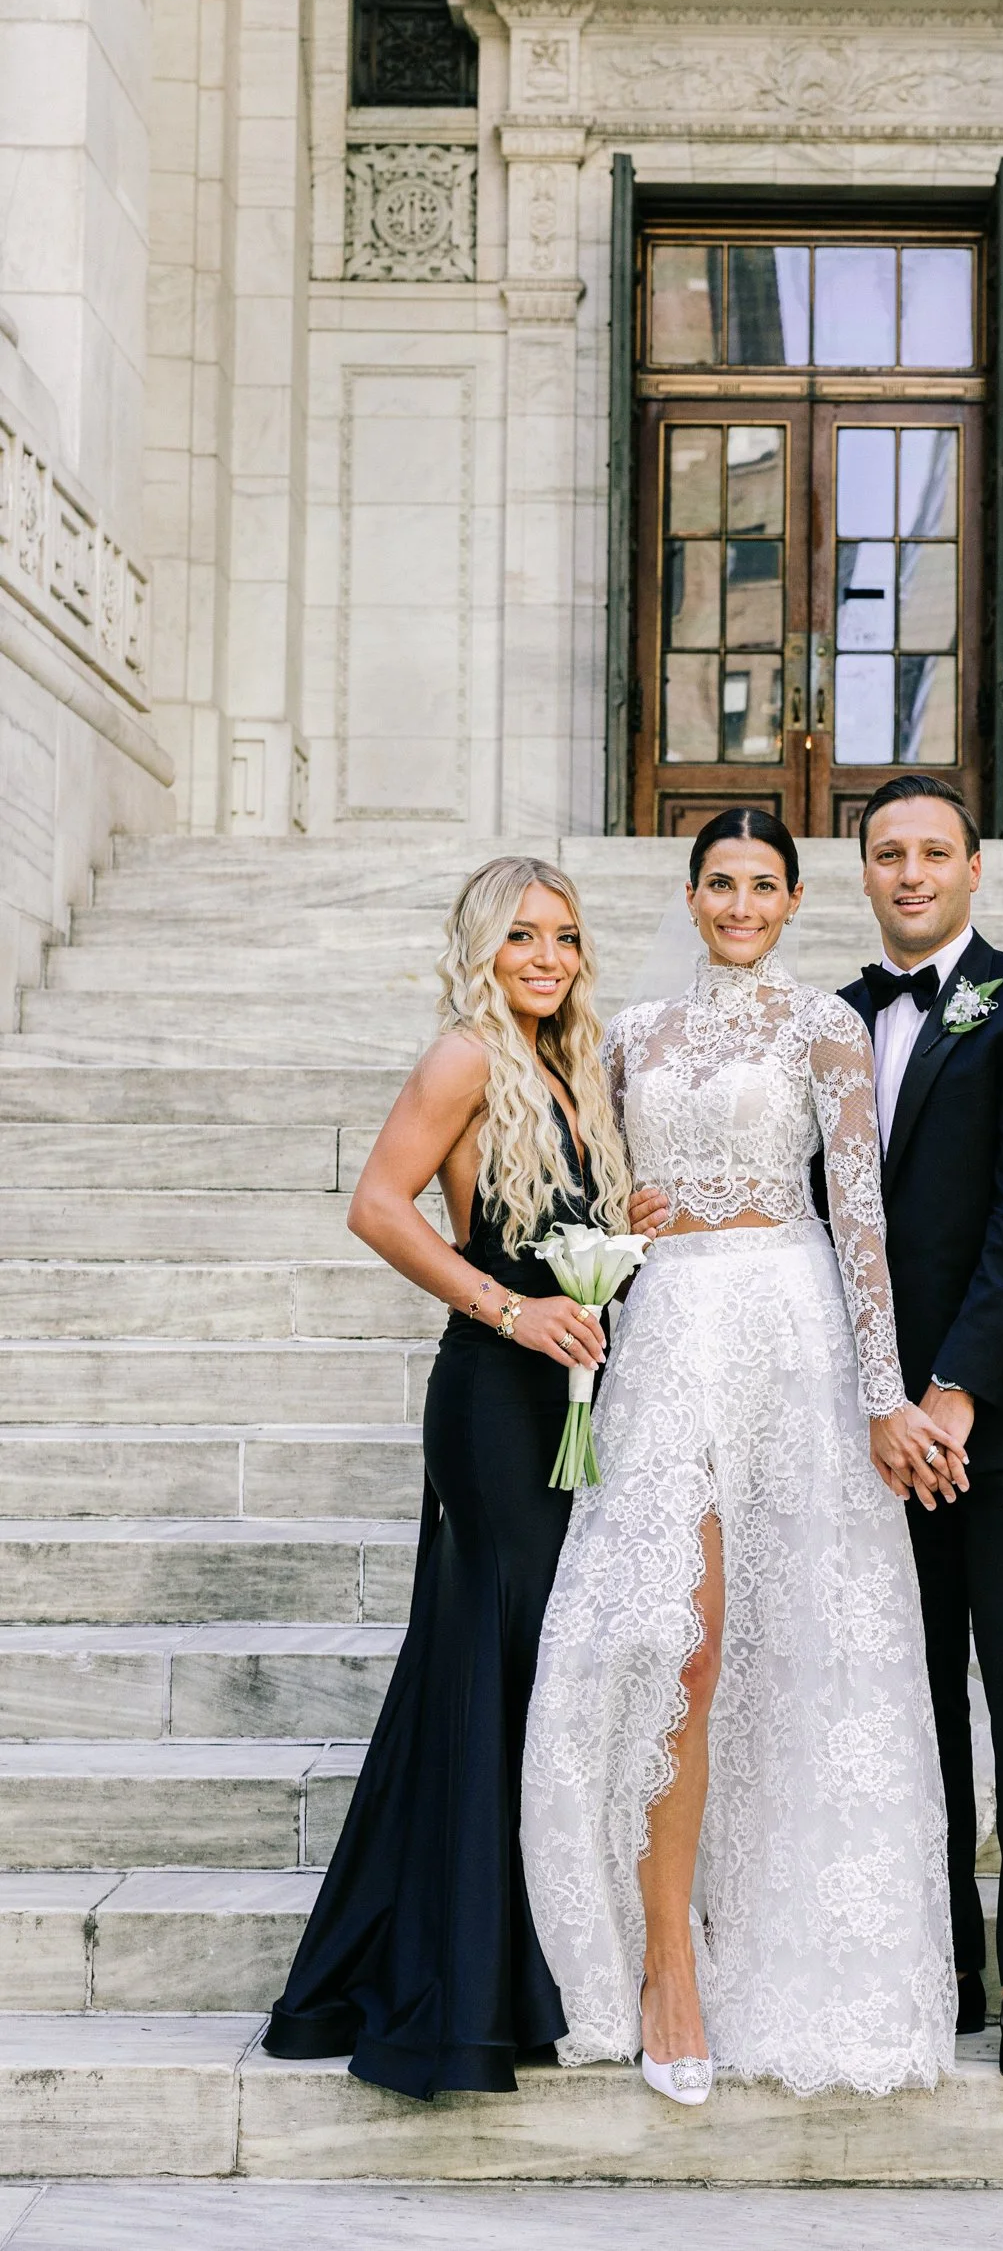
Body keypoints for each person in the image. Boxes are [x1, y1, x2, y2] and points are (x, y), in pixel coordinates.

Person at [520, 808, 958, 2106]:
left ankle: (788, 1954)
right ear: (693, 893)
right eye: (720, 883)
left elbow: (860, 1218)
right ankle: (666, 1957)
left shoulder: (823, 1028)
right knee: (682, 1638)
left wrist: (885, 1394)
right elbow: (578, 1197)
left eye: (763, 884)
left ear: (792, 897)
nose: (739, 903)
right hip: (670, 1334)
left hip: (792, 1331)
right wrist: (620, 1220)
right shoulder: (629, 1036)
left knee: (794, 1643)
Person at [262, 856, 630, 2100]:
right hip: (491, 1395)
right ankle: (468, 1985)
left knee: (536, 1664)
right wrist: (509, 1310)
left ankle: (526, 1954)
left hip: (576, 1395)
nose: (545, 956)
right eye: (522, 935)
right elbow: (378, 1204)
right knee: (497, 1657)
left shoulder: (577, 1067)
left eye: (565, 937)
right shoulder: (463, 1056)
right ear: (482, 944)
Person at [840, 773, 1003, 2084]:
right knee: (910, 1703)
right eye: (886, 855)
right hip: (879, 1434)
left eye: (930, 853)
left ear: (971, 869)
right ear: (864, 873)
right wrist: (881, 1401)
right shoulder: (824, 1023)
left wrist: (952, 1391)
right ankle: (939, 1959)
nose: (908, 874)